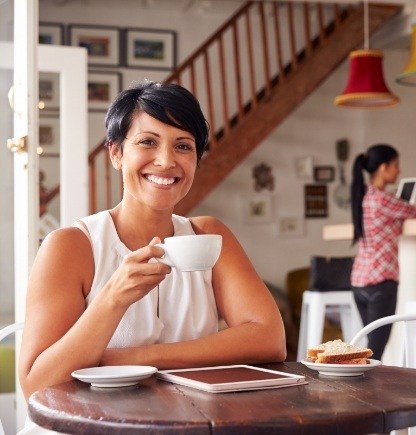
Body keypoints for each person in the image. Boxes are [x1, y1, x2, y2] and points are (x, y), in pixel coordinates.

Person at [19, 81, 286, 402]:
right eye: (148, 142)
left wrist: (129, 357)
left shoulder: (208, 236)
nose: (166, 161)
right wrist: (113, 298)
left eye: (183, 146)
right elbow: (36, 384)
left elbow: (269, 339)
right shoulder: (71, 246)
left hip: (188, 421)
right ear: (116, 153)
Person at [350, 144, 416, 359]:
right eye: (395, 165)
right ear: (383, 168)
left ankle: (363, 391)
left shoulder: (362, 196)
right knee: (373, 355)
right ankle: (363, 392)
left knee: (370, 350)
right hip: (381, 284)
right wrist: (401, 205)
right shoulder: (384, 199)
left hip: (359, 283)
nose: (399, 171)